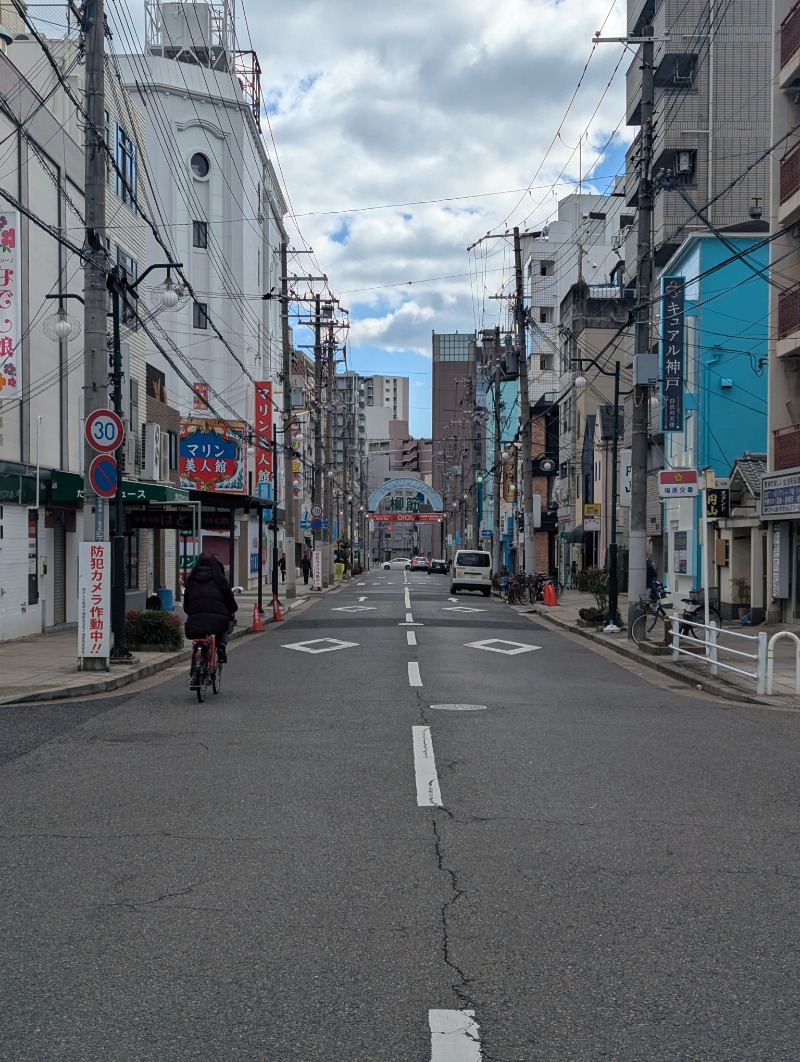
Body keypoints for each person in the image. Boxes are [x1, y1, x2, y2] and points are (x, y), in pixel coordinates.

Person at [183, 553, 238, 665]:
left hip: (196, 620)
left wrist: (189, 611)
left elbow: (186, 602)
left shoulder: (191, 579)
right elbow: (229, 598)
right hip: (217, 621)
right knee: (227, 620)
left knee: (198, 639)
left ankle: (195, 668)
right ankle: (221, 645)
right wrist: (232, 609)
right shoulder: (220, 579)